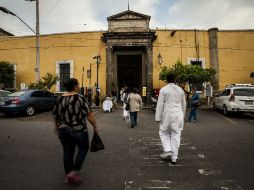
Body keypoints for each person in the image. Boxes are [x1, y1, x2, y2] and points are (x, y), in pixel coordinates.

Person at [53, 78, 99, 184]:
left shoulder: (59, 99)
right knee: (83, 148)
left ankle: (68, 175)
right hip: (78, 130)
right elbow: (89, 114)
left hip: (63, 130)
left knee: (67, 152)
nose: (79, 87)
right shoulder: (80, 98)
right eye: (78, 85)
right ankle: (74, 171)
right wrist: (95, 126)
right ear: (74, 87)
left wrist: (57, 128)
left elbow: (56, 116)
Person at [155, 73, 186, 165]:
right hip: (178, 114)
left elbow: (160, 104)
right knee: (176, 134)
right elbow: (184, 104)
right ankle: (174, 157)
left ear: (167, 80)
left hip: (167, 114)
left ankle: (168, 149)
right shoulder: (180, 90)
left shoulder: (164, 90)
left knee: (163, 132)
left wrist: (158, 117)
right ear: (175, 80)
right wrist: (182, 116)